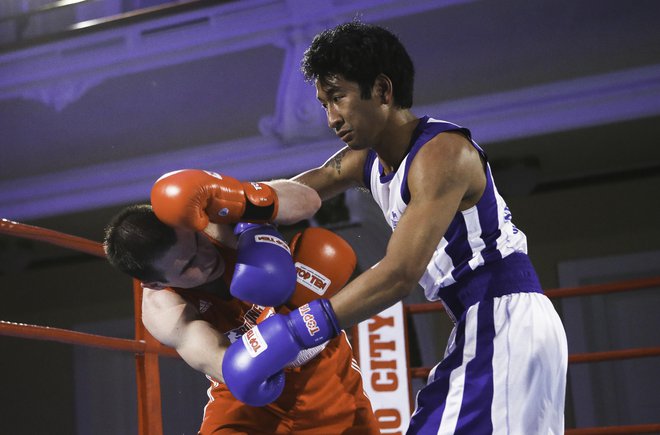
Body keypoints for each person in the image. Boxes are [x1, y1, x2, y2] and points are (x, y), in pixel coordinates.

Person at [150, 21, 568, 434]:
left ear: (382, 91)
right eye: (323, 103)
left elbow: (399, 275)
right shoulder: (364, 160)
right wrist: (230, 202)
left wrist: (298, 329)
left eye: (338, 98)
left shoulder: (442, 154)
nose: (331, 117)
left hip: (506, 316)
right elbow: (290, 196)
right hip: (479, 321)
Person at [103, 202, 380, 435]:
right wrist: (297, 324)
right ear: (154, 283)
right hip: (251, 408)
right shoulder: (165, 310)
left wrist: (249, 200)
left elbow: (309, 198)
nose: (205, 258)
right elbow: (234, 372)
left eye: (198, 241)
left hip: (330, 382)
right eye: (188, 265)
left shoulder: (221, 227)